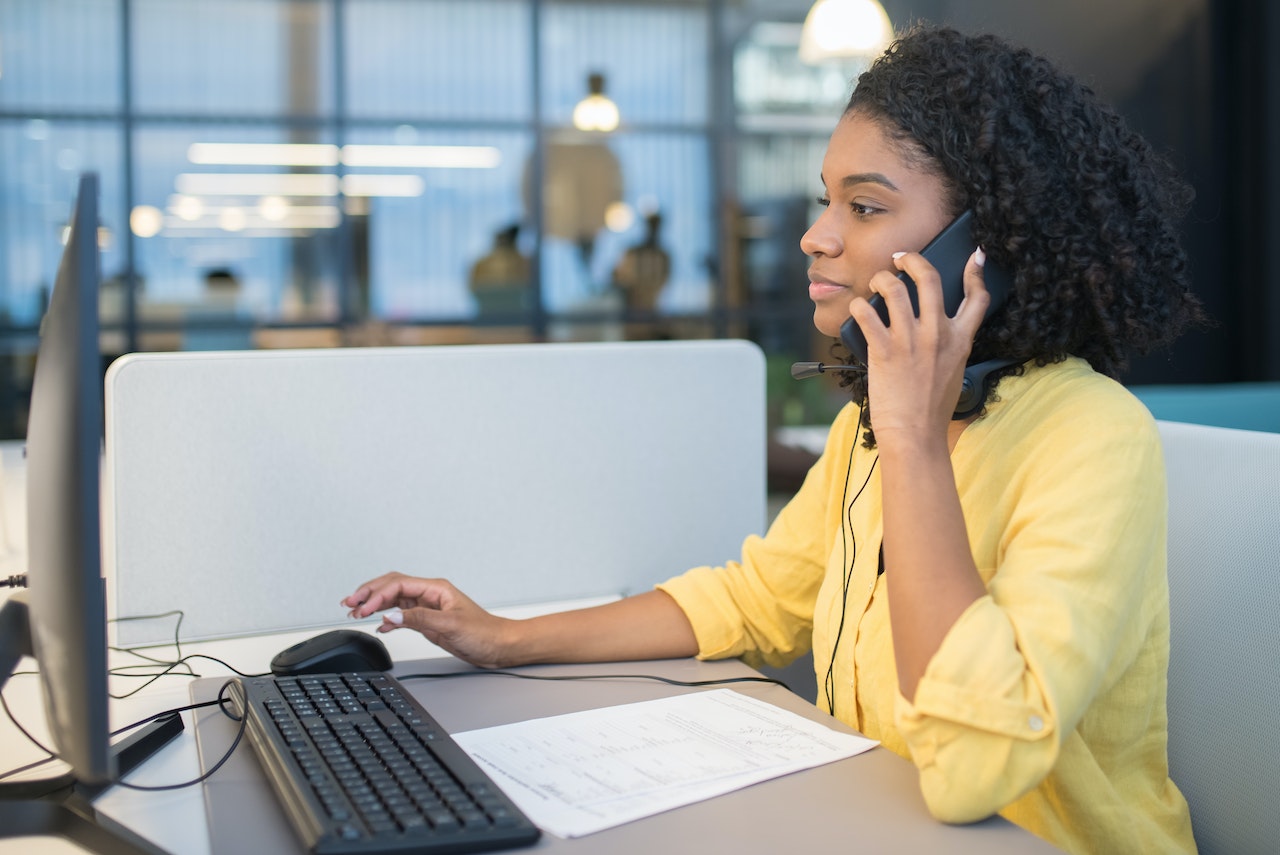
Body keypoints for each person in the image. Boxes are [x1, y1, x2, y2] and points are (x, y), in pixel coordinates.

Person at [341, 25, 1202, 855]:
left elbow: (976, 768)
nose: (817, 235)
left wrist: (911, 438)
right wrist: (505, 637)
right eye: (823, 200)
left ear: (981, 250)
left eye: (863, 206)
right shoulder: (867, 434)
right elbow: (753, 602)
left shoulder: (1089, 436)